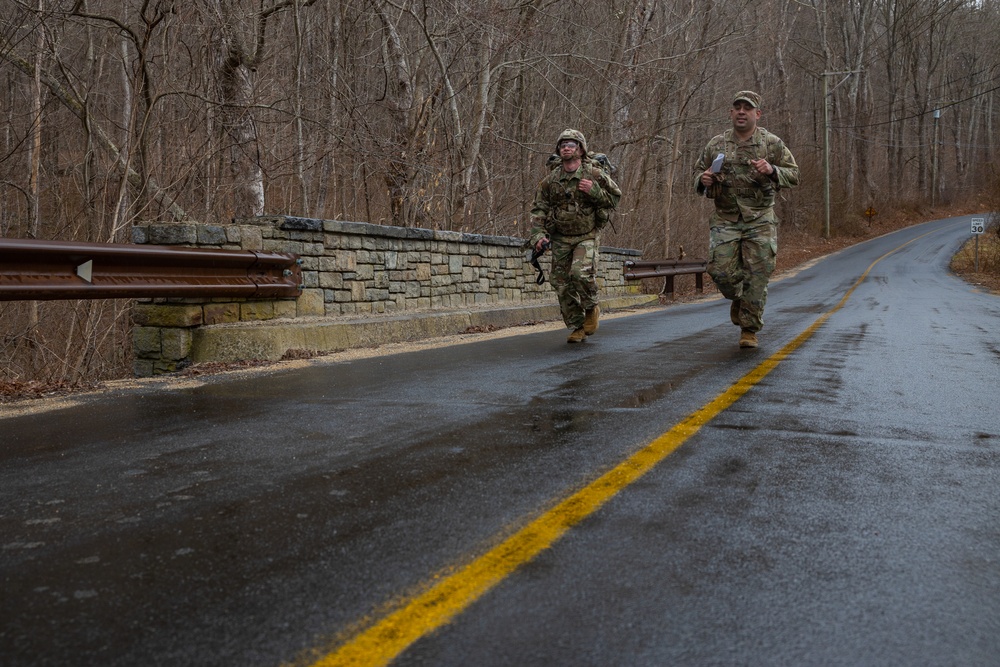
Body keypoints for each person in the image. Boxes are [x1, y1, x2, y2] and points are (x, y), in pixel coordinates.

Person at [695, 90, 799, 348]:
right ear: (731, 112)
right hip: (726, 218)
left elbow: (794, 175)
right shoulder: (716, 144)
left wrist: (773, 170)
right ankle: (739, 300)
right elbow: (698, 172)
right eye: (737, 107)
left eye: (747, 108)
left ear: (757, 114)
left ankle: (749, 329)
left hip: (760, 219)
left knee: (758, 276)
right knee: (719, 271)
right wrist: (703, 179)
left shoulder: (772, 144)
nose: (742, 111)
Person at [529, 129, 622, 343]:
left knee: (579, 274)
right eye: (563, 145)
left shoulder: (594, 174)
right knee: (560, 283)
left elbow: (615, 198)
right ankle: (577, 326)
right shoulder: (551, 180)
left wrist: (595, 192)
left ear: (580, 149)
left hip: (586, 235)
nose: (566, 148)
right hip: (561, 236)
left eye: (571, 144)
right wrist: (538, 236)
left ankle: (591, 307)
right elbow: (538, 209)